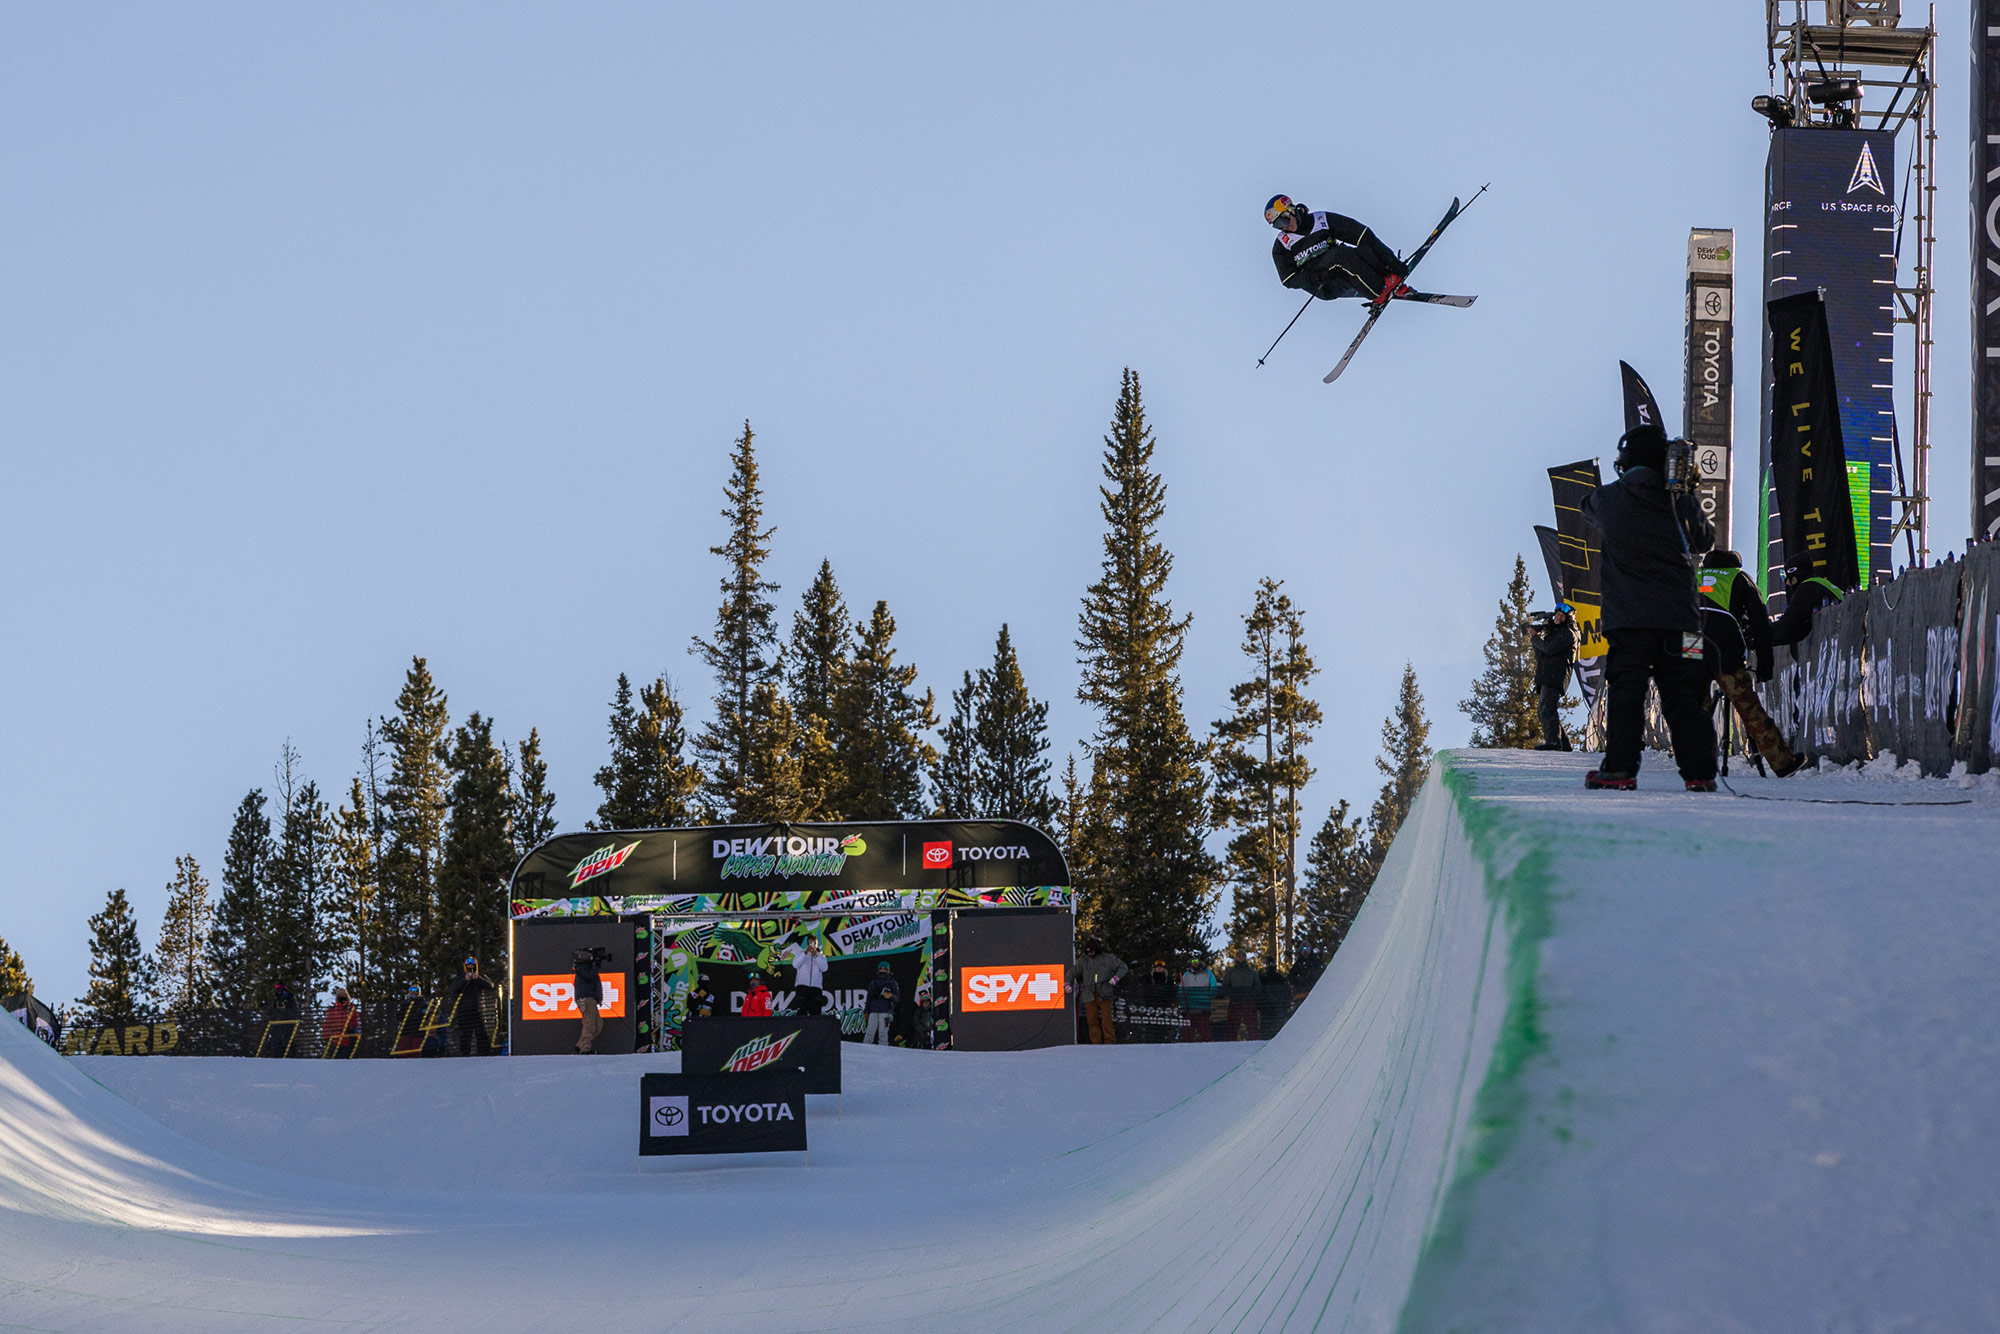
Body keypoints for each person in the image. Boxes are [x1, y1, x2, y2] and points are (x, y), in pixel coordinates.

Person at [1580, 423, 1719, 792]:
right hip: (1686, 621)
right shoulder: (1678, 500)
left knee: (1627, 691)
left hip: (1629, 620)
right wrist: (1686, 491)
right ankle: (1701, 773)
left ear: (1625, 461)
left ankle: (1619, 769)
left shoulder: (1609, 499)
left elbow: (1586, 507)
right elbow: (1704, 540)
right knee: (1687, 693)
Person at [1699, 551, 1801, 777]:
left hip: (1691, 647)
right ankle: (1783, 763)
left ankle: (1694, 763)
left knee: (1695, 709)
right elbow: (1760, 624)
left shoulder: (1693, 576)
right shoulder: (1740, 578)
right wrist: (1765, 665)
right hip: (1726, 649)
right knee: (1749, 708)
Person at [1266, 194, 1408, 306]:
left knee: (1364, 251)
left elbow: (1361, 234)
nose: (1284, 227)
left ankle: (1391, 279)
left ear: (1291, 210)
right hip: (1323, 282)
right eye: (1277, 225)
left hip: (1345, 265)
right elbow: (1288, 279)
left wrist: (1391, 261)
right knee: (1339, 255)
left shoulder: (1321, 220)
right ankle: (1379, 291)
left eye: (1283, 220)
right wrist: (1312, 278)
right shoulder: (1282, 245)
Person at [1530, 607, 1577, 751]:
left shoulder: (1568, 633)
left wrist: (1535, 638)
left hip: (1555, 675)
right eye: (1557, 614)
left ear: (1567, 619)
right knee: (1543, 710)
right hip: (1547, 675)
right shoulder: (1555, 633)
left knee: (1546, 709)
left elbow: (1549, 648)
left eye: (1562, 616)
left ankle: (1554, 743)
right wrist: (1537, 637)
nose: (1558, 617)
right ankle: (1564, 746)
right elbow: (1541, 654)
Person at [1067, 937, 1128, 1045]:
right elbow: (1072, 972)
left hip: (1105, 994)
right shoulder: (1084, 961)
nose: (1090, 953)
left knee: (1106, 1020)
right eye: (1088, 952)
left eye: (1092, 951)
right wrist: (1067, 983)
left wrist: (1115, 978)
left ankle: (1110, 1041)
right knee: (1092, 1021)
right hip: (1089, 995)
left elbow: (1123, 967)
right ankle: (1096, 1044)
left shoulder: (1108, 959)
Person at [1769, 570, 1846, 648]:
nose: (1787, 583)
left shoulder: (1807, 588)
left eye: (1786, 578)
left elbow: (1790, 624)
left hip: (1839, 639)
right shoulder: (1819, 582)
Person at [451, 956, 498, 1056]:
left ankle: (483, 1052)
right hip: (463, 1010)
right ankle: (465, 1053)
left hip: (477, 1009)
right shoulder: (460, 977)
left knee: (480, 1032)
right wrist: (465, 979)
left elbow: (490, 985)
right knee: (465, 1033)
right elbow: (454, 989)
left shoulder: (480, 976)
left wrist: (478, 978)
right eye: (468, 964)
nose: (470, 966)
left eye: (472, 964)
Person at [1134, 961, 1181, 1044]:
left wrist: (1169, 1001)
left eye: (1161, 967)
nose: (1159, 968)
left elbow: (1172, 991)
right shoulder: (1149, 979)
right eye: (1157, 967)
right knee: (1151, 1024)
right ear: (1154, 968)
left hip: (1165, 1006)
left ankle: (1164, 1039)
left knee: (1163, 1024)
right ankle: (1150, 1041)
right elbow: (1144, 991)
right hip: (1151, 1005)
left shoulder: (1168, 979)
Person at [572, 946, 607, 1054]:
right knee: (590, 1023)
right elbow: (590, 977)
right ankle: (585, 1048)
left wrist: (598, 998)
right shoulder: (581, 966)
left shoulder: (587, 966)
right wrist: (596, 965)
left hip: (591, 998)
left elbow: (594, 980)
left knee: (598, 1024)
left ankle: (580, 1045)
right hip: (586, 998)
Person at [784, 936, 828, 1017]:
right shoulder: (801, 953)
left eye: (814, 943)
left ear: (817, 944)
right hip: (802, 987)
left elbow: (824, 968)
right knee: (801, 1012)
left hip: (816, 988)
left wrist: (816, 956)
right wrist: (805, 953)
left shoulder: (821, 956)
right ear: (807, 944)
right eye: (810, 943)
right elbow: (795, 964)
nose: (812, 945)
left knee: (816, 1013)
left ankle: (815, 1029)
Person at [1223, 955, 1261, 1041]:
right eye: (1239, 956)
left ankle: (1255, 1043)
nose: (1241, 958)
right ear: (1236, 957)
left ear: (1245, 957)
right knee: (1232, 1026)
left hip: (1248, 1002)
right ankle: (1229, 1045)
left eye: (1242, 956)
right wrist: (1232, 995)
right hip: (1235, 1002)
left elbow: (1258, 986)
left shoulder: (1252, 972)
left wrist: (1251, 995)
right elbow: (1225, 985)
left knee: (1252, 1026)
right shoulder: (1231, 972)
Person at [1179, 960, 1218, 1042]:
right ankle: (1186, 1052)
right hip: (1189, 1009)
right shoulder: (1186, 975)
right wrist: (1183, 1007)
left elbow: (1214, 987)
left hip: (1202, 1009)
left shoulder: (1208, 973)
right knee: (1186, 1034)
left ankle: (1208, 1052)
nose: (1195, 962)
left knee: (1205, 1034)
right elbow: (1180, 991)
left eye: (1196, 960)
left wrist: (1206, 998)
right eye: (1193, 961)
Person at [862, 963, 899, 1045]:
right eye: (881, 968)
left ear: (888, 970)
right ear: (878, 970)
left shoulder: (892, 983)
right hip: (873, 1011)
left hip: (886, 1011)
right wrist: (866, 1011)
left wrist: (891, 996)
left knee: (883, 1034)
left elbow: (897, 999)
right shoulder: (874, 982)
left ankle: (883, 1053)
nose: (883, 970)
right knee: (869, 1032)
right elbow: (869, 998)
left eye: (885, 969)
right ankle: (864, 1052)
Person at [319, 986, 359, 1058]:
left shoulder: (351, 1009)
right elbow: (326, 1024)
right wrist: (326, 1036)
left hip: (348, 1040)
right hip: (335, 1041)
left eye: (344, 995)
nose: (342, 997)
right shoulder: (332, 1010)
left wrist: (351, 1029)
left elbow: (355, 1023)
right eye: (340, 995)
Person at [392, 983, 427, 1057]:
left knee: (416, 1050)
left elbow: (425, 1016)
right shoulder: (405, 1004)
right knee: (403, 1050)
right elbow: (399, 1016)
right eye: (411, 990)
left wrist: (416, 1016)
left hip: (418, 1030)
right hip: (406, 1030)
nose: (413, 992)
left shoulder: (423, 1004)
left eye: (416, 990)